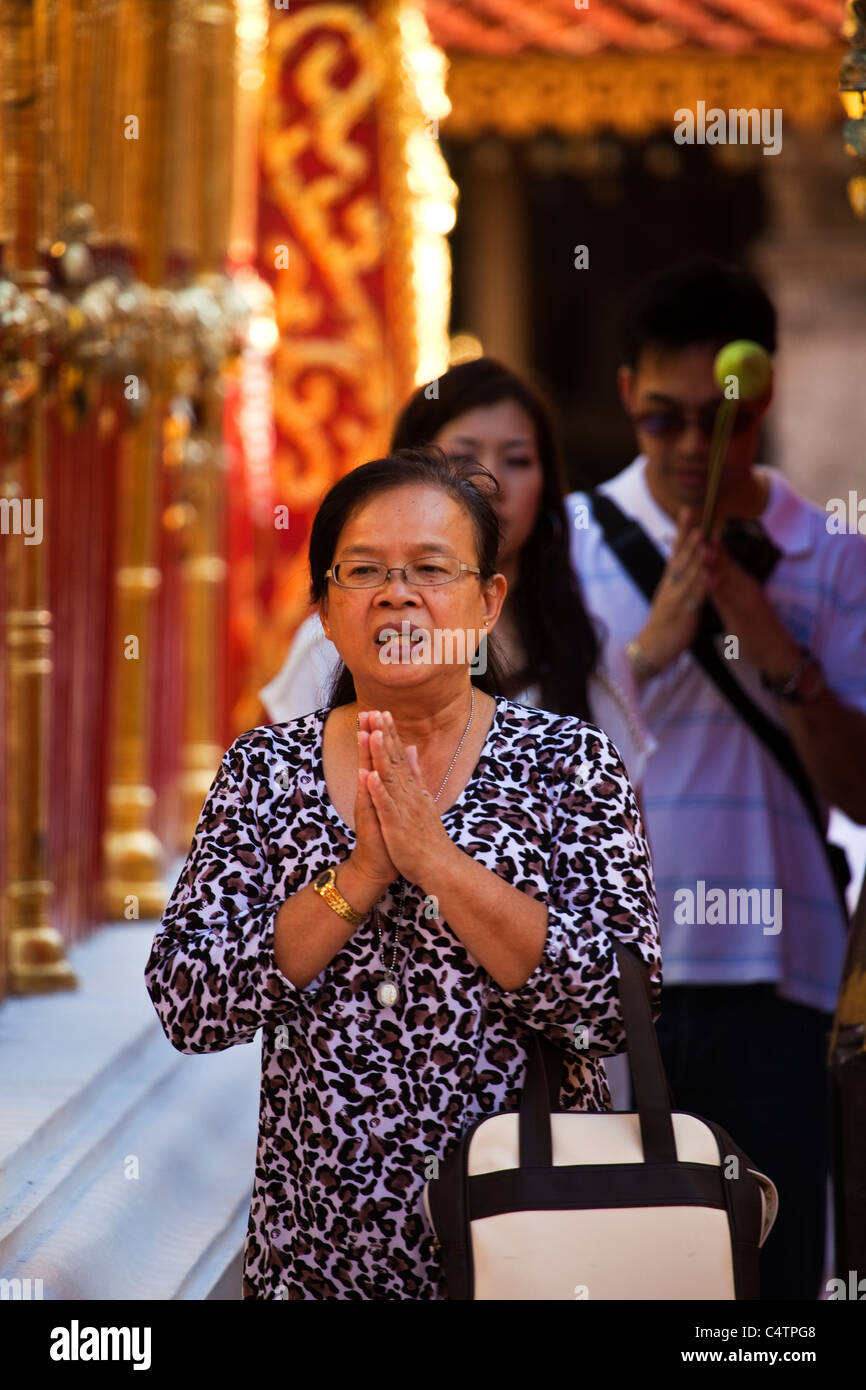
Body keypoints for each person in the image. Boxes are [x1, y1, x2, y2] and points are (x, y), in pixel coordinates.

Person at [145, 446, 661, 1300]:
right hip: (321, 1260)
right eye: (363, 571)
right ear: (324, 607)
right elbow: (191, 1003)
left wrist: (437, 862)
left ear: (488, 600)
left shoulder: (568, 762)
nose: (397, 593)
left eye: (430, 567)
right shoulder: (265, 772)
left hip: (532, 1251)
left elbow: (616, 1004)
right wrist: (357, 878)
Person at [567, 257, 866, 1300]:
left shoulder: (829, 556)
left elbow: (862, 793)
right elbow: (514, 773)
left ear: (763, 403)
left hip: (780, 972)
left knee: (775, 1282)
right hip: (610, 980)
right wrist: (643, 654)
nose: (692, 447)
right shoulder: (562, 546)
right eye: (661, 420)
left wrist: (768, 641)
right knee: (622, 1277)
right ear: (622, 400)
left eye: (720, 422)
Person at [260, 358, 654, 792]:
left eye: (518, 460)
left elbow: (621, 843)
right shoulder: (333, 643)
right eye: (464, 457)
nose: (491, 483)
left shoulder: (587, 647)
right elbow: (285, 797)